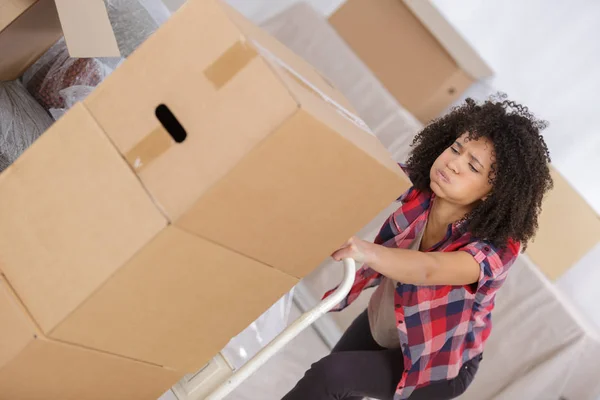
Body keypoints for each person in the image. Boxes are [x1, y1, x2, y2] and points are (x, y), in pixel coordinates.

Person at [282, 96, 553, 400]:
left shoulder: (495, 251)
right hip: (387, 323)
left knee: (332, 376)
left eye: (472, 166)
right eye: (455, 148)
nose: (453, 163)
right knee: (325, 388)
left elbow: (428, 268)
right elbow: (367, 172)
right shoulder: (422, 187)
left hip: (438, 362)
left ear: (494, 193)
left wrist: (366, 251)